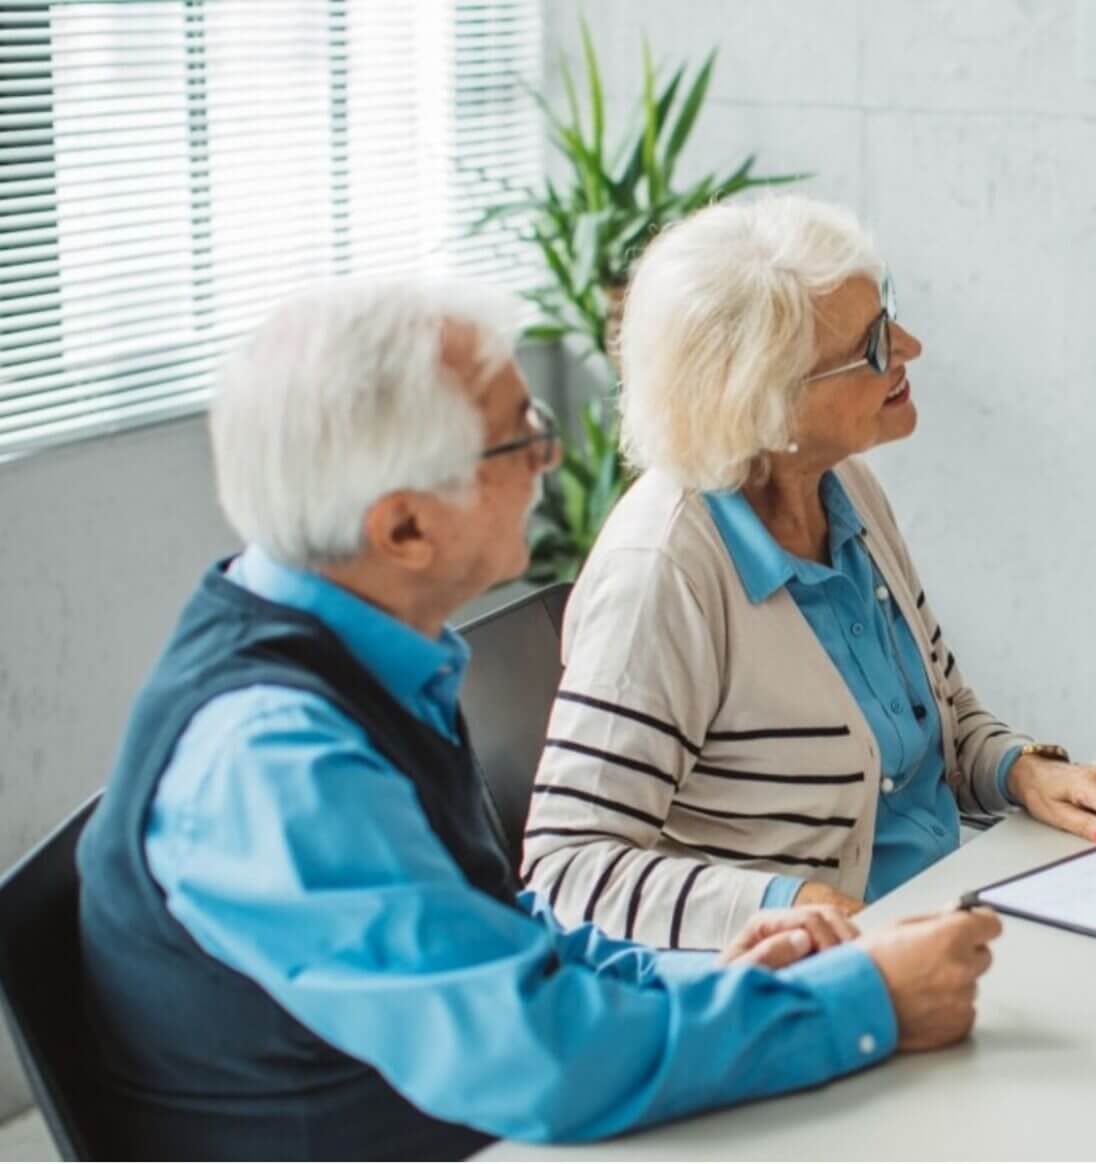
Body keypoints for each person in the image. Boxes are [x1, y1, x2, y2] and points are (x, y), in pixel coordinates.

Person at [74, 277, 1002, 1160]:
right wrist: (864, 1001)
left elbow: (500, 936)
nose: (551, 460)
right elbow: (541, 1059)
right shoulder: (277, 764)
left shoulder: (346, 650)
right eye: (520, 440)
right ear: (402, 529)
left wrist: (726, 981)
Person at [520, 195, 1096, 945]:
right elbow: (567, 867)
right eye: (873, 345)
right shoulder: (663, 573)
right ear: (766, 405)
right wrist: (792, 901)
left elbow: (939, 719)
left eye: (889, 312)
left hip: (934, 919)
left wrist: (1024, 770)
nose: (910, 346)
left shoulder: (845, 491)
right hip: (800, 989)